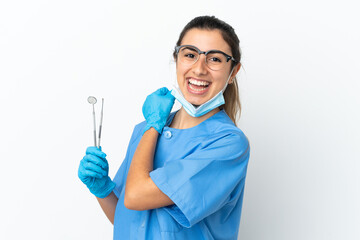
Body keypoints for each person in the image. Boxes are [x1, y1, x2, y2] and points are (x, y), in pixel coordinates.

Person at [78, 15, 250, 240]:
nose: (199, 69)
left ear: (233, 72)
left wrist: (153, 126)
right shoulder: (146, 130)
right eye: (190, 54)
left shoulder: (228, 144)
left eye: (215, 59)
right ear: (177, 59)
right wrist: (102, 190)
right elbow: (128, 217)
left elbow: (136, 195)